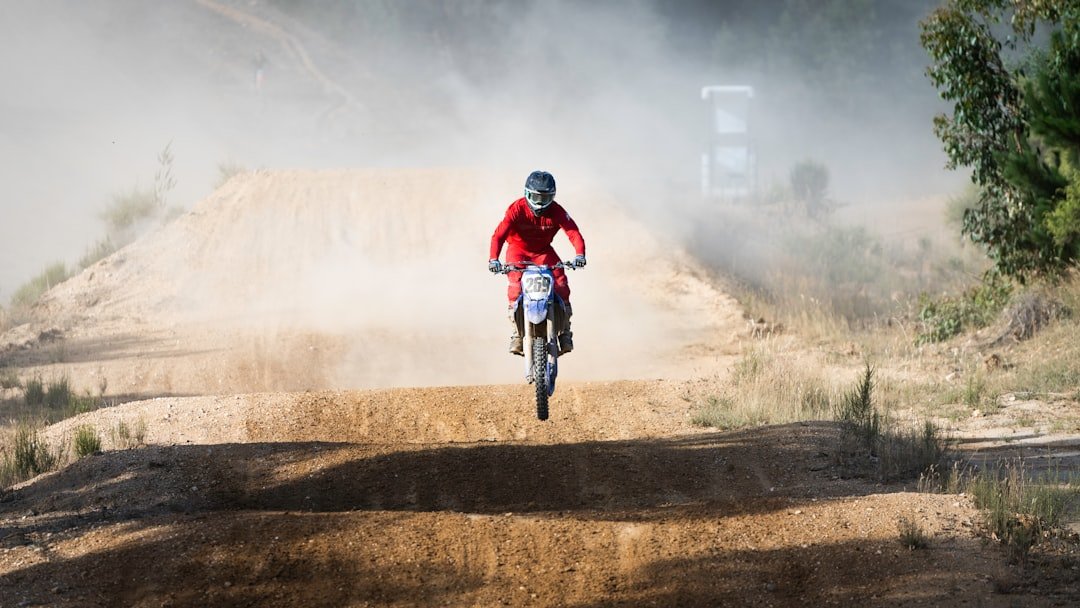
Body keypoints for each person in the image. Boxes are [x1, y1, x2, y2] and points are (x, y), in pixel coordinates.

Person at [489, 170, 586, 356]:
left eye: (545, 197)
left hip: (543, 251)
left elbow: (573, 232)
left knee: (561, 284)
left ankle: (565, 331)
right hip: (518, 251)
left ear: (553, 196)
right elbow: (498, 235)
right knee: (515, 288)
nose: (540, 203)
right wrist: (493, 258)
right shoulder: (516, 209)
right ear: (526, 194)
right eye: (535, 197)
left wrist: (580, 255)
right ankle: (517, 334)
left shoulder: (557, 211)